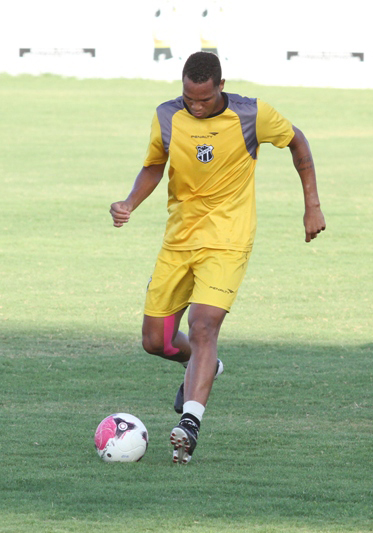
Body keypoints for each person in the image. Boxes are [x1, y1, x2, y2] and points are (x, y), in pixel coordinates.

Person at [110, 51, 326, 464]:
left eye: (204, 99)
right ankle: (208, 367)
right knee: (155, 341)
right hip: (179, 240)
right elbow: (154, 166)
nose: (196, 106)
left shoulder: (252, 115)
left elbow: (298, 140)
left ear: (221, 87)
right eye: (189, 98)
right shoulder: (167, 116)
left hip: (228, 239)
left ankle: (189, 424)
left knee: (203, 324)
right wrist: (129, 202)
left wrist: (311, 205)